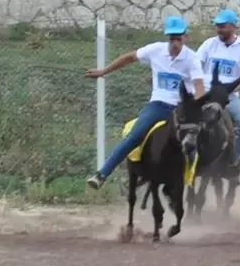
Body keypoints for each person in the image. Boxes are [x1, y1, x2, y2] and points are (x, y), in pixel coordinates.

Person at [84, 15, 206, 190]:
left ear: (185, 37)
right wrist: (104, 71)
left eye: (179, 38)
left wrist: (198, 105)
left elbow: (199, 84)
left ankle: (190, 180)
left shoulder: (192, 58)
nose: (176, 42)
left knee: (194, 141)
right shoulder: (156, 50)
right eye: (172, 38)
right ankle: (102, 174)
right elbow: (129, 57)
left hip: (181, 108)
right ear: (168, 37)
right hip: (158, 105)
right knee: (134, 136)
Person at [196, 9, 240, 166]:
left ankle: (233, 160)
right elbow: (194, 66)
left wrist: (227, 91)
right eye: (217, 26)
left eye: (223, 26)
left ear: (233, 27)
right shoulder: (209, 44)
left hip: (228, 97)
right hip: (205, 93)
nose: (219, 29)